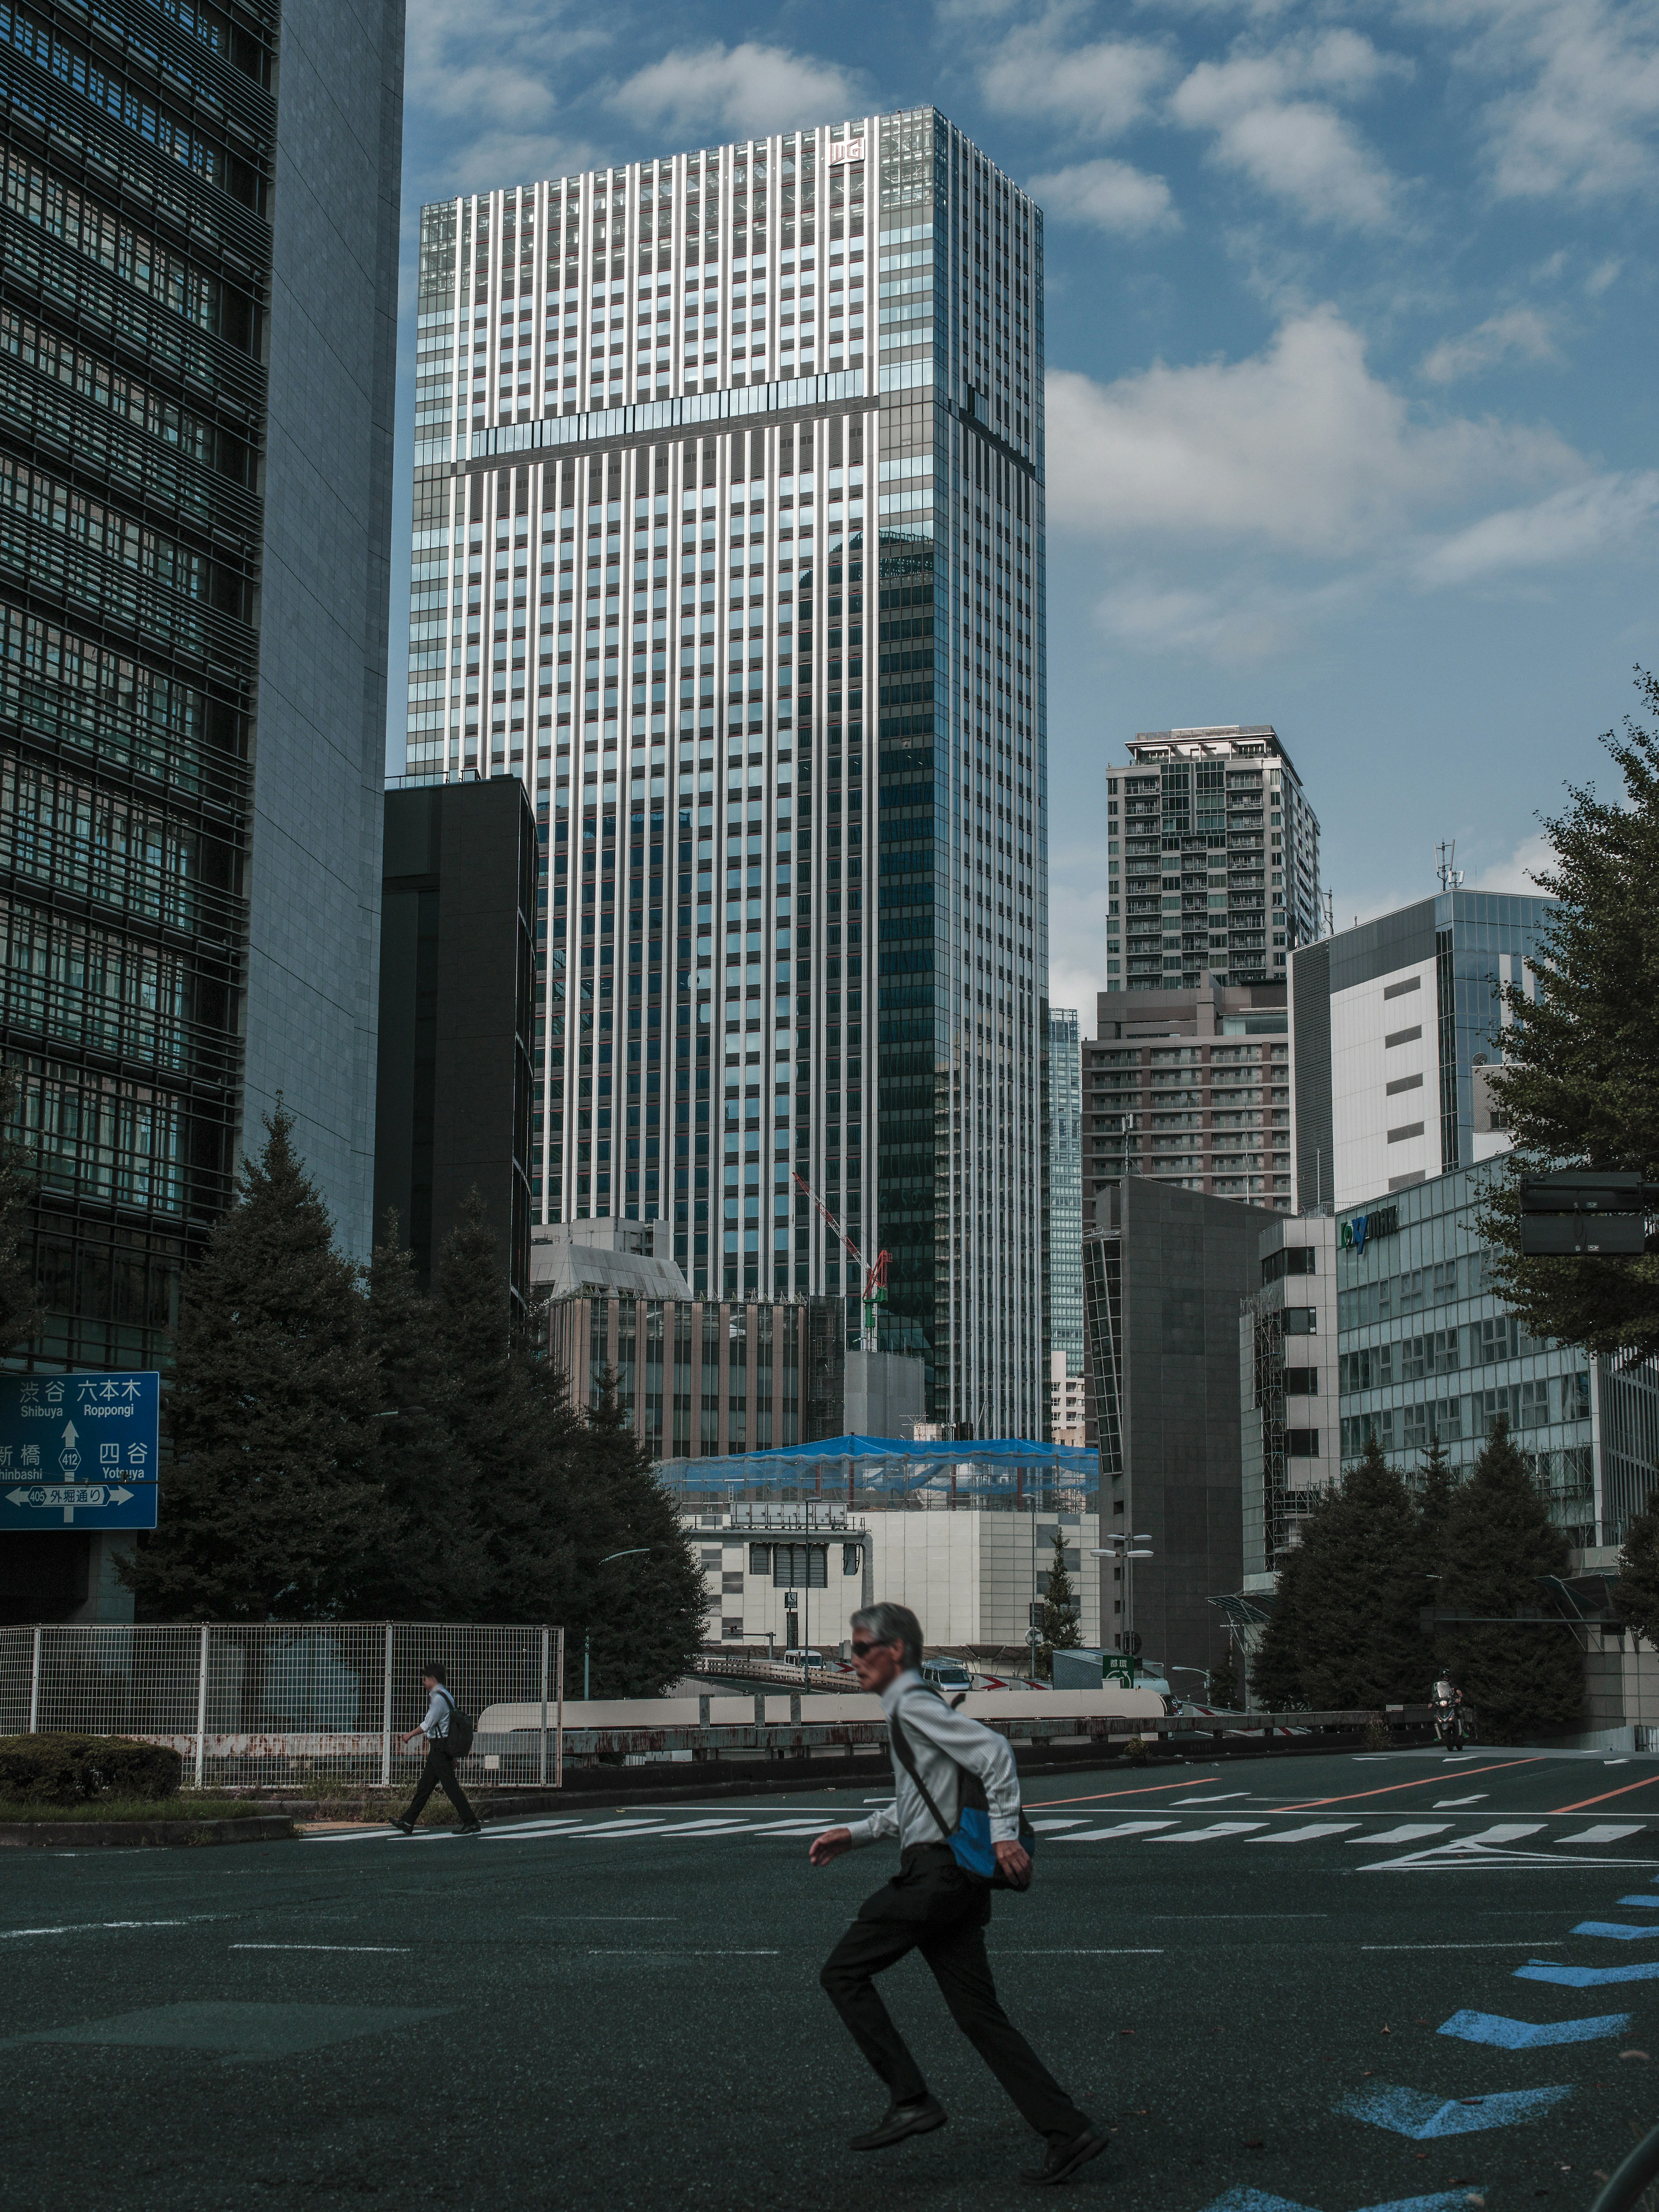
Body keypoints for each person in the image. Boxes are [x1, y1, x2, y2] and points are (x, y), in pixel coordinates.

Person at [810, 1602, 1106, 2188]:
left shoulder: (914, 1704)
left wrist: (1001, 1838)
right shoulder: (911, 1710)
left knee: (843, 1973)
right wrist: (859, 1834)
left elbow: (993, 1753)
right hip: (956, 1883)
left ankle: (910, 2097)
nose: (854, 1659)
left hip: (936, 1879)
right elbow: (924, 1804)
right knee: (980, 2016)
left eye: (862, 1647)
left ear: (895, 1652)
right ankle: (1067, 2131)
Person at [391, 1661, 482, 1836]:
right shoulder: (447, 1695)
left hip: (440, 1748)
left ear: (433, 1678)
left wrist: (409, 1735)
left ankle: (471, 1822)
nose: (424, 1682)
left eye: (425, 1679)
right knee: (425, 1787)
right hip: (441, 1748)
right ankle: (408, 1821)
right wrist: (452, 1754)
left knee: (451, 1787)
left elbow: (428, 1724)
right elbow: (448, 1727)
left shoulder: (439, 1698)